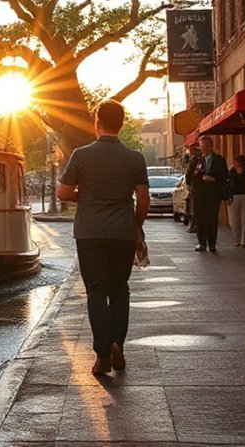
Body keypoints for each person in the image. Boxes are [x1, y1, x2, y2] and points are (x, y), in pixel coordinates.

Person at [57, 100, 149, 376]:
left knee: (96, 292)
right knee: (120, 289)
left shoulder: (81, 155)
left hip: (89, 232)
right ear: (121, 124)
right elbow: (143, 199)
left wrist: (84, 196)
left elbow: (63, 193)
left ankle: (103, 353)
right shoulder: (135, 157)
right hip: (122, 231)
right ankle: (118, 343)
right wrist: (136, 225)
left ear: (97, 123)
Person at [189, 136, 229, 252]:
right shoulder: (197, 160)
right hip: (199, 195)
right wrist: (195, 173)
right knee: (200, 219)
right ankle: (202, 243)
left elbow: (225, 176)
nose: (203, 149)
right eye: (201, 146)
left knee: (212, 219)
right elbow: (189, 177)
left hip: (213, 195)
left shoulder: (219, 160)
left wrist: (214, 179)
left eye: (205, 146)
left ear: (211, 146)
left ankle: (212, 243)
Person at [228, 155, 245, 247]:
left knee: (244, 217)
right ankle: (236, 239)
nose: (234, 163)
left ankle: (244, 240)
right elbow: (229, 184)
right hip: (234, 195)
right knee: (235, 218)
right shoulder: (232, 171)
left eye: (236, 161)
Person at [183, 144, 202, 232]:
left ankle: (194, 226)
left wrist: (189, 182)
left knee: (195, 208)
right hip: (195, 187)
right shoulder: (197, 159)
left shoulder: (195, 160)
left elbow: (189, 175)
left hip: (196, 188)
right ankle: (195, 225)